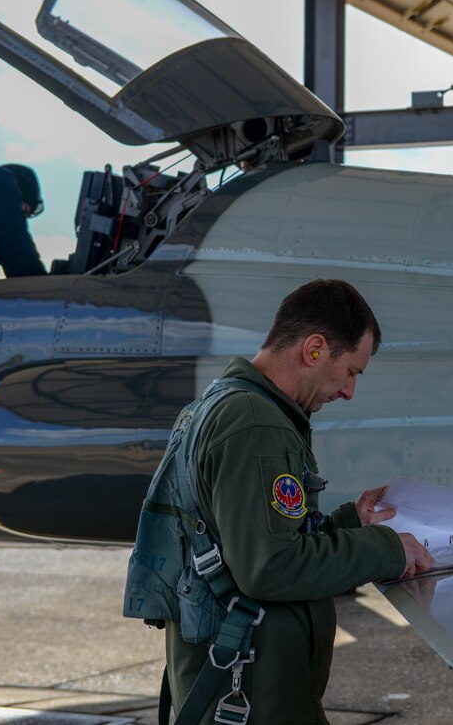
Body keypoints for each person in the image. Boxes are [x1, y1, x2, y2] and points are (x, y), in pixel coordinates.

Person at [132, 279, 433, 724]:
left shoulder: (223, 403)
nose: (349, 391)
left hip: (240, 685)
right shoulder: (256, 424)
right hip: (253, 696)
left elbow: (253, 536)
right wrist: (388, 549)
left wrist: (352, 523)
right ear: (314, 349)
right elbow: (270, 567)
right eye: (351, 371)